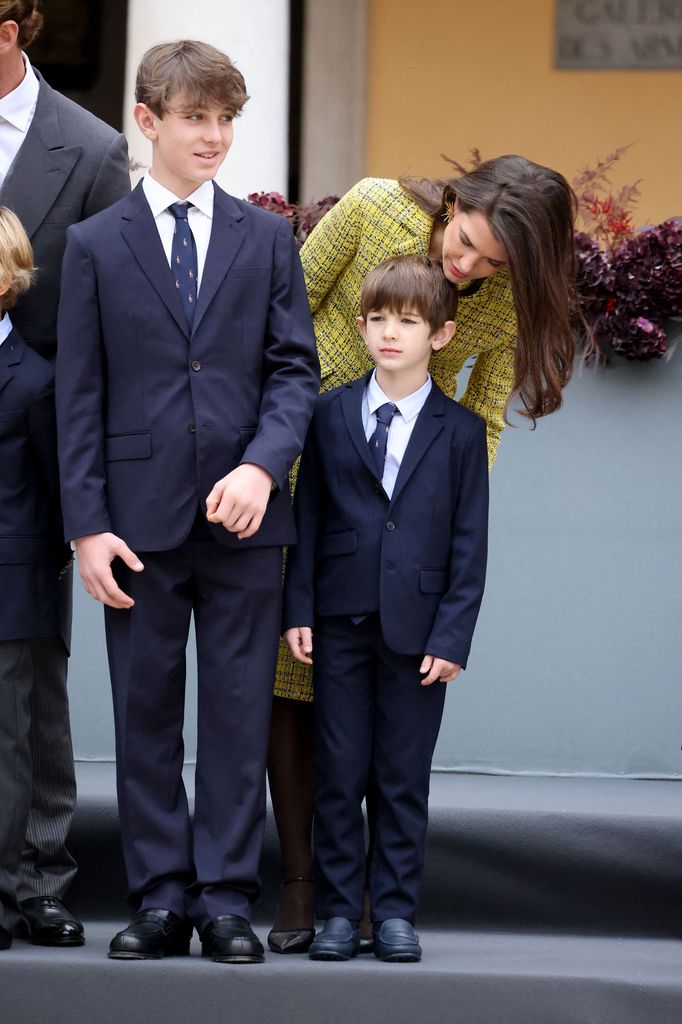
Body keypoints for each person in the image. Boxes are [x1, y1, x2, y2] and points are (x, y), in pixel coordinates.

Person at [268, 157, 581, 951]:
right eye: (468, 240)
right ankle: (309, 886)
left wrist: (437, 512)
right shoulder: (373, 208)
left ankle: (380, 901)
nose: (468, 265)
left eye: (491, 262)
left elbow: (484, 415)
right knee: (293, 687)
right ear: (457, 200)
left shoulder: (500, 301)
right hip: (297, 463)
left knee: (395, 748)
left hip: (407, 504)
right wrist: (267, 445)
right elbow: (283, 312)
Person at [55, 40, 319, 963]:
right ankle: (161, 897)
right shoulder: (95, 245)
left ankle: (224, 901)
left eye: (225, 118)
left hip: (247, 522)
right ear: (148, 121)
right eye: (196, 117)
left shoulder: (268, 238)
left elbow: (296, 372)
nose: (214, 135)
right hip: (134, 524)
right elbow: (78, 393)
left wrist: (261, 468)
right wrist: (86, 525)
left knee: (240, 713)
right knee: (146, 714)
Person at [283, 254, 488, 961]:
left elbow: (469, 540)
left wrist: (453, 635)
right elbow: (306, 518)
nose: (389, 333)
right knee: (339, 773)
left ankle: (394, 912)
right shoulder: (328, 413)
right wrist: (298, 609)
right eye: (378, 319)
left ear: (442, 333)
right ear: (362, 327)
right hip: (340, 621)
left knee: (402, 776)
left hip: (420, 629)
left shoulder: (460, 432)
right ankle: (340, 913)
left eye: (407, 320)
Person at [0, 0, 130, 947]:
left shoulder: (87, 148)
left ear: (10, 29)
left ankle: (38, 875)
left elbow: (105, 315)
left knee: (32, 676)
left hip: (32, 439)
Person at [0, 208, 70, 952]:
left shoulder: (37, 380)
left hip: (13, 582)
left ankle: (15, 892)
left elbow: (56, 493)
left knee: (13, 745)